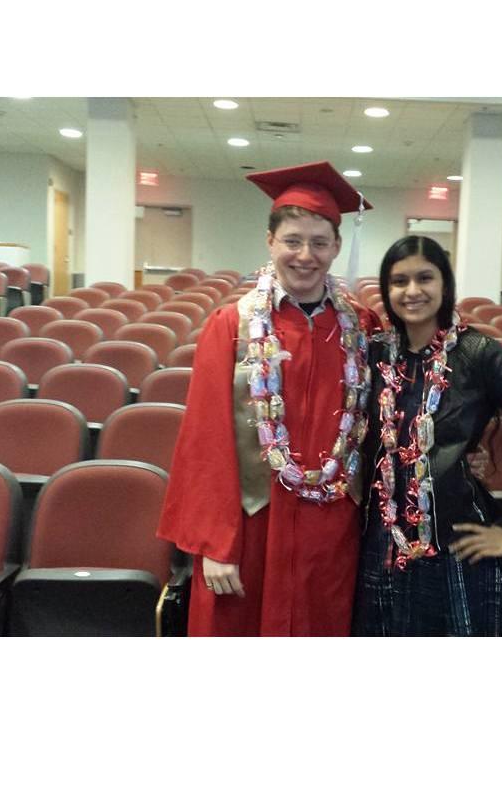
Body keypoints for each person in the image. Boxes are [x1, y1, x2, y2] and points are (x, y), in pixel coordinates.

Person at [157, 161, 379, 636]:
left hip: (332, 533)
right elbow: (205, 437)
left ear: (336, 247)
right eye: (292, 241)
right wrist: (216, 543)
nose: (306, 255)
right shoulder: (231, 326)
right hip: (252, 526)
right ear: (270, 242)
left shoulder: (362, 328)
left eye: (319, 243)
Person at [352, 235, 502, 636]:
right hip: (382, 548)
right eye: (399, 281)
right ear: (386, 291)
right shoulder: (372, 355)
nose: (412, 291)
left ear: (445, 284)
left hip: (456, 550)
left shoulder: (478, 354)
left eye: (425, 278)